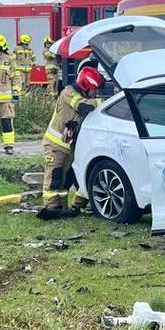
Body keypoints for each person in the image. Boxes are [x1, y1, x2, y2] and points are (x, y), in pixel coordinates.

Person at [37, 65, 103, 220]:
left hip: (69, 147)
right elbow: (83, 106)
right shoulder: (68, 92)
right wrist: (102, 102)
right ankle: (51, 208)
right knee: (54, 178)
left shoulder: (84, 95)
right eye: (95, 90)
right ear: (86, 86)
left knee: (65, 180)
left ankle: (63, 207)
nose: (96, 93)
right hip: (55, 145)